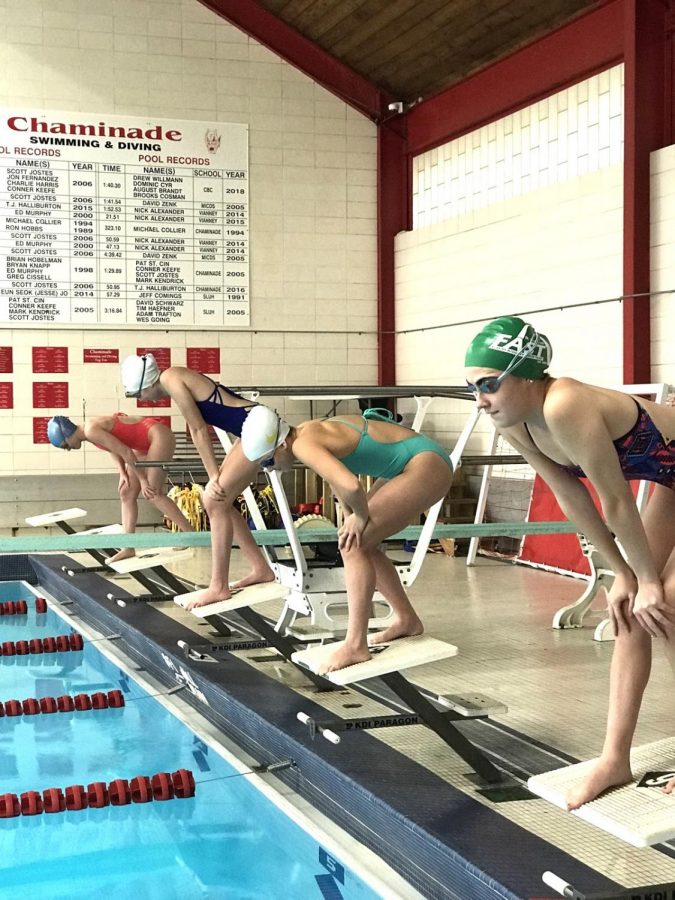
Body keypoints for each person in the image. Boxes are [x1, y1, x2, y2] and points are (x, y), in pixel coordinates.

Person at [464, 315, 675, 807]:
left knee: (665, 605)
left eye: (488, 385)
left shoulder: (565, 403)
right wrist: (624, 576)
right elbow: (569, 496)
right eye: (472, 387)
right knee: (629, 615)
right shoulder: (517, 425)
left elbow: (616, 500)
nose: (480, 399)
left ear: (527, 374)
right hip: (669, 481)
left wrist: (645, 578)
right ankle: (614, 759)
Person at [240, 404, 454, 673]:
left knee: (354, 544)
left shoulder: (302, 446)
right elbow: (337, 478)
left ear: (281, 445)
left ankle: (355, 645)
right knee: (361, 541)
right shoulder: (307, 431)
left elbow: (352, 485)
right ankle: (406, 620)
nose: (272, 469)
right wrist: (348, 513)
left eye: (269, 462)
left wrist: (360, 517)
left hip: (425, 464)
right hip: (416, 459)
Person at [120, 354, 274, 607]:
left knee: (213, 499)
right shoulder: (174, 377)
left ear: (145, 386)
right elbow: (195, 427)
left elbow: (201, 429)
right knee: (219, 501)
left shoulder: (170, 378)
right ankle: (260, 568)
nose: (141, 400)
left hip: (257, 425)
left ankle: (218, 587)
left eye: (139, 395)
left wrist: (213, 476)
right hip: (252, 425)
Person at [46, 413, 194, 563]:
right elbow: (113, 448)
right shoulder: (88, 432)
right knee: (126, 492)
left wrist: (143, 479)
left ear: (67, 433)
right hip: (143, 444)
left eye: (65, 445)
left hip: (158, 436)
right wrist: (122, 472)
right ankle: (128, 548)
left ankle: (191, 536)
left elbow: (126, 452)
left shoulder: (91, 430)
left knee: (152, 492)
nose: (68, 449)